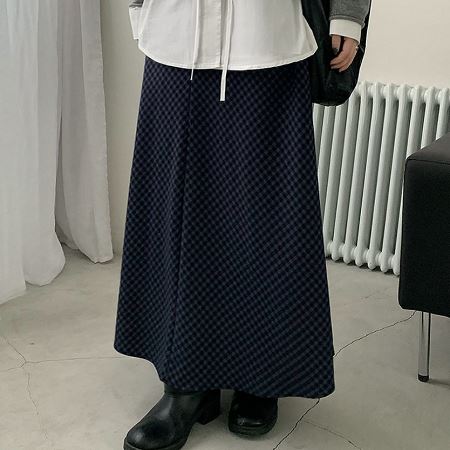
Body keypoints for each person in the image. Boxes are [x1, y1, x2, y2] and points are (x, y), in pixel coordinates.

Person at [114, 1, 371, 449]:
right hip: (175, 33)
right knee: (176, 214)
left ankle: (262, 377)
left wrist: (348, 14)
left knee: (266, 221)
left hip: (269, 39)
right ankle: (186, 382)